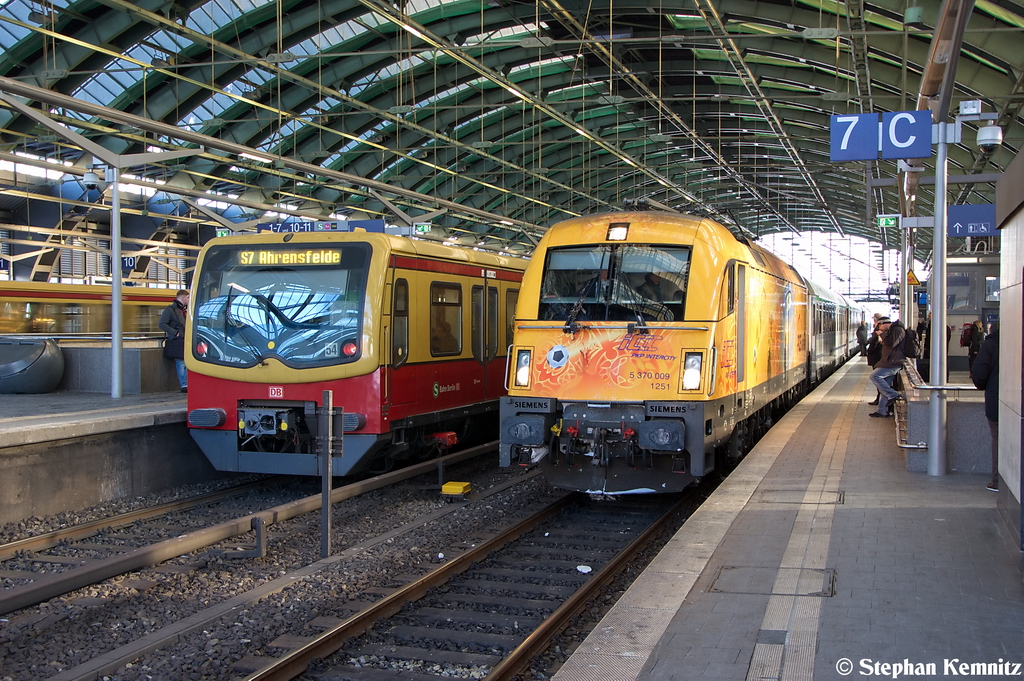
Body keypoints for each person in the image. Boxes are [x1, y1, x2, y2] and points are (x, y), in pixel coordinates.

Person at [971, 324, 999, 492]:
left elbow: (979, 374)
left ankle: (998, 480)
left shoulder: (991, 344)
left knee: (998, 439)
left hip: (998, 399)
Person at [869, 317, 906, 418]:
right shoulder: (894, 330)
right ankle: (882, 411)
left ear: (884, 323)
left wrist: (881, 334)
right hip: (890, 361)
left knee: (874, 376)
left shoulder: (897, 329)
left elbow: (892, 343)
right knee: (885, 386)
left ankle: (893, 395)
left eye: (880, 325)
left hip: (893, 362)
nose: (879, 328)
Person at [159, 289, 189, 392]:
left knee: (185, 362)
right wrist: (175, 333)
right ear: (182, 298)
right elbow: (162, 324)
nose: (189, 300)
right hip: (177, 341)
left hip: (184, 340)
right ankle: (184, 384)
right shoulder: (170, 310)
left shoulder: (184, 310)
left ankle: (187, 383)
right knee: (181, 362)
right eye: (188, 298)